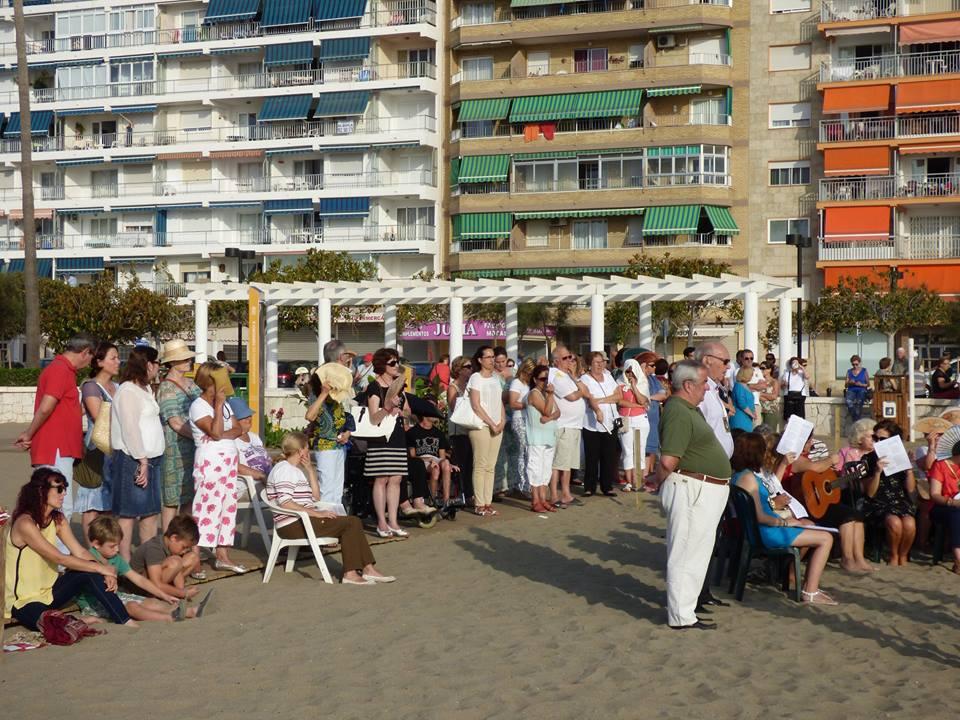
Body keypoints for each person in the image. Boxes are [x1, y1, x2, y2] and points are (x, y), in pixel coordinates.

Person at [654, 360, 732, 630]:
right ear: (687, 385)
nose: (707, 387)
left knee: (697, 552)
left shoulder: (688, 409)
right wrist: (659, 485)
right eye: (703, 383)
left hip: (702, 488)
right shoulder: (677, 410)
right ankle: (681, 616)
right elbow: (668, 460)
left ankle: (687, 609)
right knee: (686, 553)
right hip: (691, 488)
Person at [4, 468, 133, 631]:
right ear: (41, 491)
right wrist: (101, 568)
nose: (64, 493)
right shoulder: (25, 523)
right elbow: (59, 558)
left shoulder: (58, 519)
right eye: (59, 489)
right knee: (53, 625)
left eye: (65, 488)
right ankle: (78, 620)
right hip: (23, 601)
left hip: (49, 593)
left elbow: (81, 552)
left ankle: (124, 620)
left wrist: (104, 570)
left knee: (90, 571)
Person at [267, 432, 394, 585]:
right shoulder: (285, 470)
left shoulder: (295, 470)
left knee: (351, 522)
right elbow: (285, 502)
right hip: (293, 524)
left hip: (301, 520)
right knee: (351, 523)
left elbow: (316, 497)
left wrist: (310, 470)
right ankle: (352, 573)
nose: (308, 451)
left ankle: (367, 569)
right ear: (300, 451)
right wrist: (317, 514)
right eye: (307, 447)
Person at [732, 432, 837, 605]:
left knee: (812, 528)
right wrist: (785, 522)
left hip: (762, 530)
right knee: (826, 538)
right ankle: (810, 591)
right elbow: (760, 516)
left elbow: (770, 495)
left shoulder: (741, 475)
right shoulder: (749, 478)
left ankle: (806, 585)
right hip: (767, 532)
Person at [14, 334, 96, 532]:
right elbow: (46, 407)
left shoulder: (63, 370)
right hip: (55, 449)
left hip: (59, 447)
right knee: (58, 505)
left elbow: (61, 409)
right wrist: (29, 433)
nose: (89, 363)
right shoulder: (60, 370)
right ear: (85, 352)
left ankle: (54, 548)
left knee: (55, 503)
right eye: (91, 357)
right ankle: (56, 550)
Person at [80, 516, 208, 622]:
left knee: (151, 602)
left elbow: (139, 579)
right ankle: (169, 618)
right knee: (132, 607)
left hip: (119, 595)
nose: (117, 549)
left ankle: (190, 611)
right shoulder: (86, 558)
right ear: (96, 544)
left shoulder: (116, 558)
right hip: (94, 603)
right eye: (112, 546)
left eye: (118, 545)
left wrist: (163, 595)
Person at [189, 360, 245, 573]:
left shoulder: (227, 404)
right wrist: (219, 407)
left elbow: (237, 429)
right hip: (211, 463)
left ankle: (222, 555)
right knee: (206, 506)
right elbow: (214, 431)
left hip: (228, 462)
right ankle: (194, 557)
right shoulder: (199, 406)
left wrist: (221, 434)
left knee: (227, 508)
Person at [789, 436, 874, 573]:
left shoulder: (806, 458)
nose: (810, 444)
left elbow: (822, 478)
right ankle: (847, 559)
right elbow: (815, 468)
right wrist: (831, 460)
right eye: (808, 441)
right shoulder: (794, 459)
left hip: (818, 503)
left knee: (857, 516)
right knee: (847, 516)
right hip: (806, 506)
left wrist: (843, 477)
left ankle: (859, 559)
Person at [110, 345, 164, 562]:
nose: (159, 367)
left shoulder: (146, 389)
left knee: (151, 513)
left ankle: (147, 560)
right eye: (158, 363)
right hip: (133, 459)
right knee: (128, 513)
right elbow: (130, 428)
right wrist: (142, 460)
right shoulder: (127, 391)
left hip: (153, 458)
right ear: (148, 364)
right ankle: (124, 564)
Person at [76, 342, 120, 541]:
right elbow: (98, 416)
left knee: (110, 505)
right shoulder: (91, 386)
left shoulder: (118, 387)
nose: (118, 362)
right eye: (113, 358)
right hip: (97, 451)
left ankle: (107, 546)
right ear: (100, 362)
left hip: (116, 450)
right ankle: (92, 550)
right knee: (92, 505)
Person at [155, 338, 200, 532]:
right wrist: (200, 437)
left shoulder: (191, 383)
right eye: (184, 359)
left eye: (188, 358)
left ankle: (185, 538)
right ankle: (168, 539)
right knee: (172, 500)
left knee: (189, 498)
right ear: (172, 362)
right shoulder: (167, 387)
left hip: (193, 448)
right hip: (175, 450)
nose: (189, 361)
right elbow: (174, 422)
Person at [364, 348, 410, 537]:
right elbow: (373, 418)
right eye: (392, 363)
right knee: (381, 478)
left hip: (397, 436)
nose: (396, 365)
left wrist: (402, 413)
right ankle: (381, 522)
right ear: (382, 365)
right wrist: (388, 407)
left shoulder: (399, 386)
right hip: (381, 437)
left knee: (396, 478)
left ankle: (393, 521)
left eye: (397, 361)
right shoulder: (374, 387)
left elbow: (408, 412)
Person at [862, 420, 916, 565]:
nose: (878, 442)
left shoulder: (900, 457)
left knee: (910, 523)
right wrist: (877, 472)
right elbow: (870, 494)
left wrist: (909, 470)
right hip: (878, 502)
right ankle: (893, 554)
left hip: (899, 500)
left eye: (882, 439)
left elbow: (911, 490)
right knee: (894, 522)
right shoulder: (868, 459)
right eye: (875, 438)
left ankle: (903, 555)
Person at [305, 364, 355, 504]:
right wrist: (323, 394)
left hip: (339, 446)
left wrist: (347, 433)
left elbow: (345, 418)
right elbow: (310, 416)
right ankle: (325, 515)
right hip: (325, 446)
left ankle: (336, 514)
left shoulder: (336, 398)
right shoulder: (316, 397)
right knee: (326, 487)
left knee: (337, 489)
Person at [548, 345, 590, 508]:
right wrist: (580, 391)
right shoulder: (555, 375)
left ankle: (566, 493)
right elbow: (572, 396)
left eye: (570, 357)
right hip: (563, 425)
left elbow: (586, 391)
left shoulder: (568, 375)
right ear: (556, 361)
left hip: (574, 425)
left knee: (568, 464)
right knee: (558, 463)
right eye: (565, 358)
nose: (569, 361)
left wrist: (574, 377)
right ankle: (554, 494)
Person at [467, 345, 506, 516]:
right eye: (488, 357)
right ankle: (479, 503)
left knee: (491, 466)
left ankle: (488, 502)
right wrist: (491, 423)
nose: (492, 360)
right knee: (480, 464)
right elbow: (476, 405)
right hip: (481, 425)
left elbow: (499, 402)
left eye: (493, 356)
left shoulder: (496, 378)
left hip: (497, 425)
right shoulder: (475, 377)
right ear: (480, 360)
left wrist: (502, 420)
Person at [129, 514, 202, 600]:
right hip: (139, 588)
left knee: (193, 557)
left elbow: (178, 571)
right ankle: (157, 595)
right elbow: (156, 584)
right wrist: (183, 594)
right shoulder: (154, 548)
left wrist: (181, 591)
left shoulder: (172, 546)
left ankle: (171, 591)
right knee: (175, 562)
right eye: (184, 547)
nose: (185, 551)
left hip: (156, 579)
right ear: (174, 538)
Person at [579, 351, 622, 497]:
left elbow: (618, 396)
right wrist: (598, 402)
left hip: (610, 421)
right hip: (592, 423)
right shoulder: (585, 379)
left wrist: (601, 400)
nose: (600, 365)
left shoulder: (608, 377)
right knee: (592, 456)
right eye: (596, 362)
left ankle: (606, 486)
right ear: (589, 364)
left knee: (608, 456)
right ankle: (589, 486)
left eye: (602, 361)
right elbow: (589, 398)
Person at [526, 364, 560, 513]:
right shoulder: (534, 393)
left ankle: (543, 498)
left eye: (547, 379)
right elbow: (546, 411)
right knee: (535, 469)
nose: (545, 382)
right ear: (535, 379)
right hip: (536, 438)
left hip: (548, 436)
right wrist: (551, 396)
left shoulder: (547, 394)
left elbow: (557, 412)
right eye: (542, 379)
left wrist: (549, 418)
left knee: (545, 470)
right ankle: (535, 500)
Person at [406, 412, 454, 508]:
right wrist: (428, 459)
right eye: (433, 413)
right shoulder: (412, 432)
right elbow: (412, 456)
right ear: (424, 415)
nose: (436, 415)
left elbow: (442, 457)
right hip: (421, 460)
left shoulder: (439, 433)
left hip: (435, 459)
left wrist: (449, 465)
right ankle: (432, 501)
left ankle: (446, 502)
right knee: (435, 469)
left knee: (446, 463)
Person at [694, 343, 734, 458]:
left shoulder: (713, 388)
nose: (728, 367)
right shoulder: (699, 391)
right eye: (725, 361)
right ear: (707, 360)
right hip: (706, 462)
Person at [928, 437, 960, 574]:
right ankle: (958, 559)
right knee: (957, 514)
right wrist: (952, 502)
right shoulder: (940, 465)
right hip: (943, 505)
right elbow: (934, 494)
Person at [618, 358, 649, 493]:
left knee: (640, 450)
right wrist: (637, 406)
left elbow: (643, 400)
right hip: (625, 419)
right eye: (627, 372)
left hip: (640, 419)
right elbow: (620, 401)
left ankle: (638, 480)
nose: (630, 374)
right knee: (627, 451)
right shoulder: (619, 383)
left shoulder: (643, 382)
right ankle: (629, 481)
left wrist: (634, 387)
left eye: (632, 371)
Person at [446, 356, 474, 504]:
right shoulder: (453, 387)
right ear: (459, 369)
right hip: (458, 431)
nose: (471, 369)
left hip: (470, 429)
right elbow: (453, 407)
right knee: (461, 463)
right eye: (468, 367)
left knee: (470, 464)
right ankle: (463, 494)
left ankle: (470, 494)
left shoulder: (469, 386)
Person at [507, 358, 535, 498]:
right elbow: (513, 403)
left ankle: (527, 484)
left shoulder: (529, 384)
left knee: (529, 452)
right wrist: (529, 404)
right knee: (522, 452)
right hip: (519, 419)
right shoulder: (517, 383)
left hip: (530, 420)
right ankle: (520, 485)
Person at [230, 397, 273, 482]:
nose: (249, 419)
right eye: (244, 417)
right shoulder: (232, 441)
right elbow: (236, 466)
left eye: (249, 415)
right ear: (234, 421)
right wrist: (262, 476)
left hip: (268, 479)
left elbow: (265, 458)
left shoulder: (254, 437)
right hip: (251, 484)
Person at [644, 356, 668, 488]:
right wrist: (651, 398)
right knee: (640, 449)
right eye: (652, 366)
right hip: (641, 418)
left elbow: (663, 395)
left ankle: (646, 475)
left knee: (650, 449)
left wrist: (648, 398)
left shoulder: (654, 380)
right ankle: (639, 477)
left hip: (653, 418)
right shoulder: (638, 379)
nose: (654, 368)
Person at [730, 366, 757, 433]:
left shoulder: (745, 385)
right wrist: (751, 414)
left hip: (747, 418)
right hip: (740, 418)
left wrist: (754, 412)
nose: (752, 376)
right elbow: (741, 403)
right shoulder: (738, 386)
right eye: (751, 374)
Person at [782, 356, 809, 421]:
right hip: (789, 395)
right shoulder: (787, 373)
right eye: (793, 363)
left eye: (796, 363)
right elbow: (782, 385)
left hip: (800, 396)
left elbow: (807, 376)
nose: (795, 364)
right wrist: (784, 384)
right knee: (789, 416)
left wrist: (801, 367)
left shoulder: (801, 373)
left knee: (799, 416)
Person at [844, 355, 870, 422]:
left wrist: (861, 384)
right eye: (853, 364)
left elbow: (868, 384)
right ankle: (856, 419)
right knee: (848, 401)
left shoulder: (864, 371)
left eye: (856, 364)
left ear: (859, 363)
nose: (855, 366)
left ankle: (855, 421)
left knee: (859, 403)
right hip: (851, 389)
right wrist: (849, 382)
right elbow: (845, 385)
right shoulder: (849, 371)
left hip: (861, 389)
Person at [758, 363, 782, 431]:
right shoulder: (758, 381)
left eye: (763, 368)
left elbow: (774, 396)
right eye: (760, 368)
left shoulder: (774, 382)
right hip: (760, 410)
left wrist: (761, 394)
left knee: (770, 432)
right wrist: (767, 397)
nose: (761, 370)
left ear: (769, 370)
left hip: (771, 411)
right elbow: (755, 395)